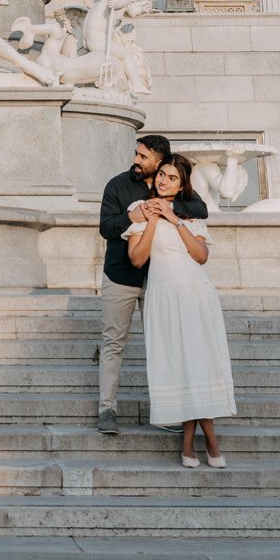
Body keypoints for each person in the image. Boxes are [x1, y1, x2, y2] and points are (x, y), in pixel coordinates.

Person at [125, 153, 236, 466]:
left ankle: (196, 442)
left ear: (182, 184)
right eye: (162, 174)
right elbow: (137, 259)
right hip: (163, 296)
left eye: (172, 178)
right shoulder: (140, 210)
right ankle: (205, 442)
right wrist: (154, 220)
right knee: (179, 366)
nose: (164, 181)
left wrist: (174, 220)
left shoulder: (190, 215)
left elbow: (200, 255)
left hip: (196, 294)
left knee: (200, 365)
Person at [96, 133, 207, 434]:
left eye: (143, 157)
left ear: (161, 162)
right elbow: (105, 228)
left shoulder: (172, 185)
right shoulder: (118, 185)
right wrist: (132, 215)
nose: (136, 160)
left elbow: (201, 210)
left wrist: (165, 208)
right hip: (122, 276)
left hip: (161, 280)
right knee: (113, 342)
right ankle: (107, 409)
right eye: (136, 154)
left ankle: (169, 411)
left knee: (163, 344)